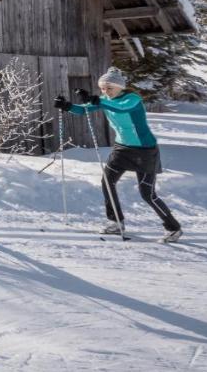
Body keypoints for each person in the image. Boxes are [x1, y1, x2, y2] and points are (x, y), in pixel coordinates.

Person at [54, 67, 182, 242]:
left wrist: (97, 100)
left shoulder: (132, 99)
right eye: (103, 88)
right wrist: (67, 106)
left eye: (109, 88)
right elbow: (83, 109)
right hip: (121, 149)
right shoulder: (105, 99)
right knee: (107, 181)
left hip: (144, 150)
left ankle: (173, 228)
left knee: (147, 194)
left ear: (120, 87)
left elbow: (121, 108)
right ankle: (116, 222)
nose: (106, 91)